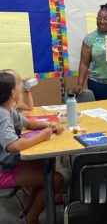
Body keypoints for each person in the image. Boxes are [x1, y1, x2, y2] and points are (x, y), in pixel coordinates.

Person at [0, 72, 65, 224]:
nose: (22, 86)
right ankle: (31, 218)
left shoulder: (8, 110)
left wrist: (50, 125)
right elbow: (13, 145)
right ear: (13, 93)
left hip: (9, 163)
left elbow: (28, 124)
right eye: (19, 84)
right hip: (3, 170)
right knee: (56, 179)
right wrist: (41, 137)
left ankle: (27, 212)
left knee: (42, 167)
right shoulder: (3, 114)